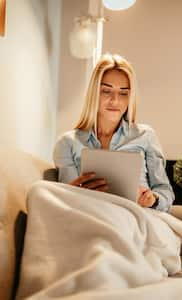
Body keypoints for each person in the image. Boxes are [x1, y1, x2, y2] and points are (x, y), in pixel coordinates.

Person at [53, 53, 174, 212]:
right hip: (92, 216)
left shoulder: (146, 136)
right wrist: (74, 191)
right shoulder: (67, 143)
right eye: (106, 91)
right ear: (94, 93)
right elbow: (67, 205)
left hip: (137, 217)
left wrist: (153, 199)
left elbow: (165, 191)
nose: (115, 101)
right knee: (39, 190)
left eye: (123, 93)